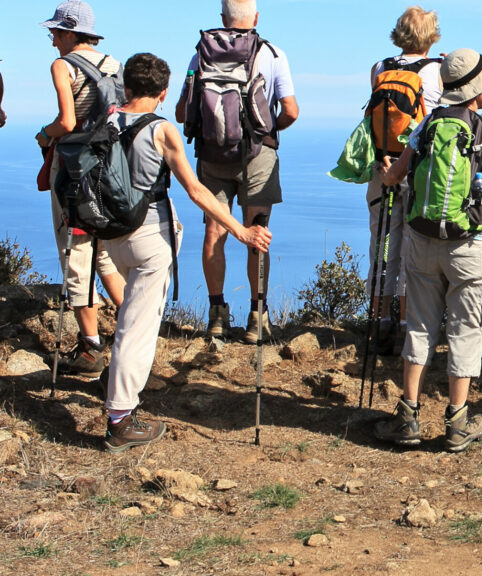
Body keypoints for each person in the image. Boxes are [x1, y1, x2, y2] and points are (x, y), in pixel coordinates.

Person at [100, 53, 272, 452]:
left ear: (126, 87)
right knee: (136, 329)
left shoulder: (105, 121)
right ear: (163, 93)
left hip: (111, 235)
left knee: (129, 320)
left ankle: (117, 391)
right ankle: (120, 420)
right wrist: (241, 231)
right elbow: (196, 191)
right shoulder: (161, 130)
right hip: (149, 238)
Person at [374, 48, 482, 452]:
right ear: (476, 91)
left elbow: (396, 176)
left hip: (422, 239)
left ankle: (408, 417)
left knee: (419, 325)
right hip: (469, 244)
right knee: (465, 329)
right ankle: (458, 422)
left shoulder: (426, 125)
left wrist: (386, 173)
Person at [176, 0, 299, 344]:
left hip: (212, 155)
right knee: (257, 232)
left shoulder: (201, 52)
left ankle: (216, 315)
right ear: (255, 17)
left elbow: (183, 112)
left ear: (223, 18)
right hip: (258, 155)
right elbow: (290, 110)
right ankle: (257, 318)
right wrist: (266, 131)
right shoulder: (272, 54)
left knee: (215, 230)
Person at [39, 0, 126, 377]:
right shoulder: (115, 64)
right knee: (104, 253)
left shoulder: (63, 66)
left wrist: (44, 134)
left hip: (74, 171)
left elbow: (67, 121)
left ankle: (90, 349)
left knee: (75, 254)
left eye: (55, 32)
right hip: (109, 168)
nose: (52, 40)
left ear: (70, 32)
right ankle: (131, 328)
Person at [363, 5, 443, 355]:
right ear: (431, 37)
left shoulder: (380, 68)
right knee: (414, 247)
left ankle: (378, 322)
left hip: (382, 166)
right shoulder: (437, 71)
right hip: (418, 169)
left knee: (382, 244)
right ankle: (408, 326)